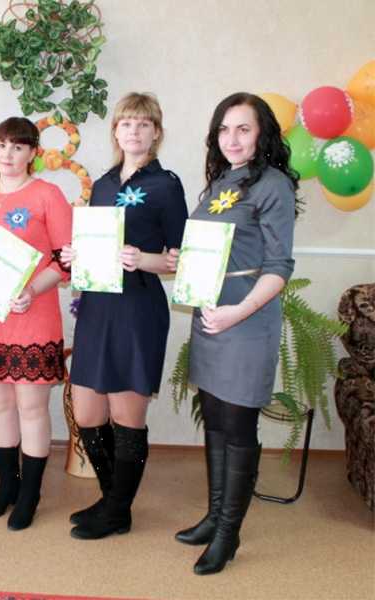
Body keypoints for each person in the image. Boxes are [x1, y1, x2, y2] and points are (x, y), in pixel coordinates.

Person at [169, 92, 298, 575]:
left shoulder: (274, 185)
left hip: (245, 321)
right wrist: (184, 261)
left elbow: (279, 266)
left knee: (239, 426)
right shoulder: (221, 182)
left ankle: (229, 533)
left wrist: (236, 313)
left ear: (262, 132)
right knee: (216, 419)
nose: (232, 139)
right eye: (224, 129)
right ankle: (214, 515)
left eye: (243, 128)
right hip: (211, 319)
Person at [60, 92, 188, 539]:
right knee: (86, 412)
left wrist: (142, 259)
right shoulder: (103, 184)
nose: (133, 131)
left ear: (156, 132)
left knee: (126, 416)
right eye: (126, 123)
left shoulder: (166, 185)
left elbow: (180, 259)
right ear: (115, 131)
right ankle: (112, 498)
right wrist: (76, 256)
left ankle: (118, 511)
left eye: (143, 124)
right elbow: (97, 246)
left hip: (137, 309)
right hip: (97, 307)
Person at [0, 116, 72, 531]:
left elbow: (65, 260)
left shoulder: (48, 195)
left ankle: (30, 494)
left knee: (31, 407)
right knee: (0, 404)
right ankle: (7, 485)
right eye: (1, 145)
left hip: (32, 316)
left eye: (18, 147)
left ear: (33, 153)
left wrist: (33, 289)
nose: (8, 154)